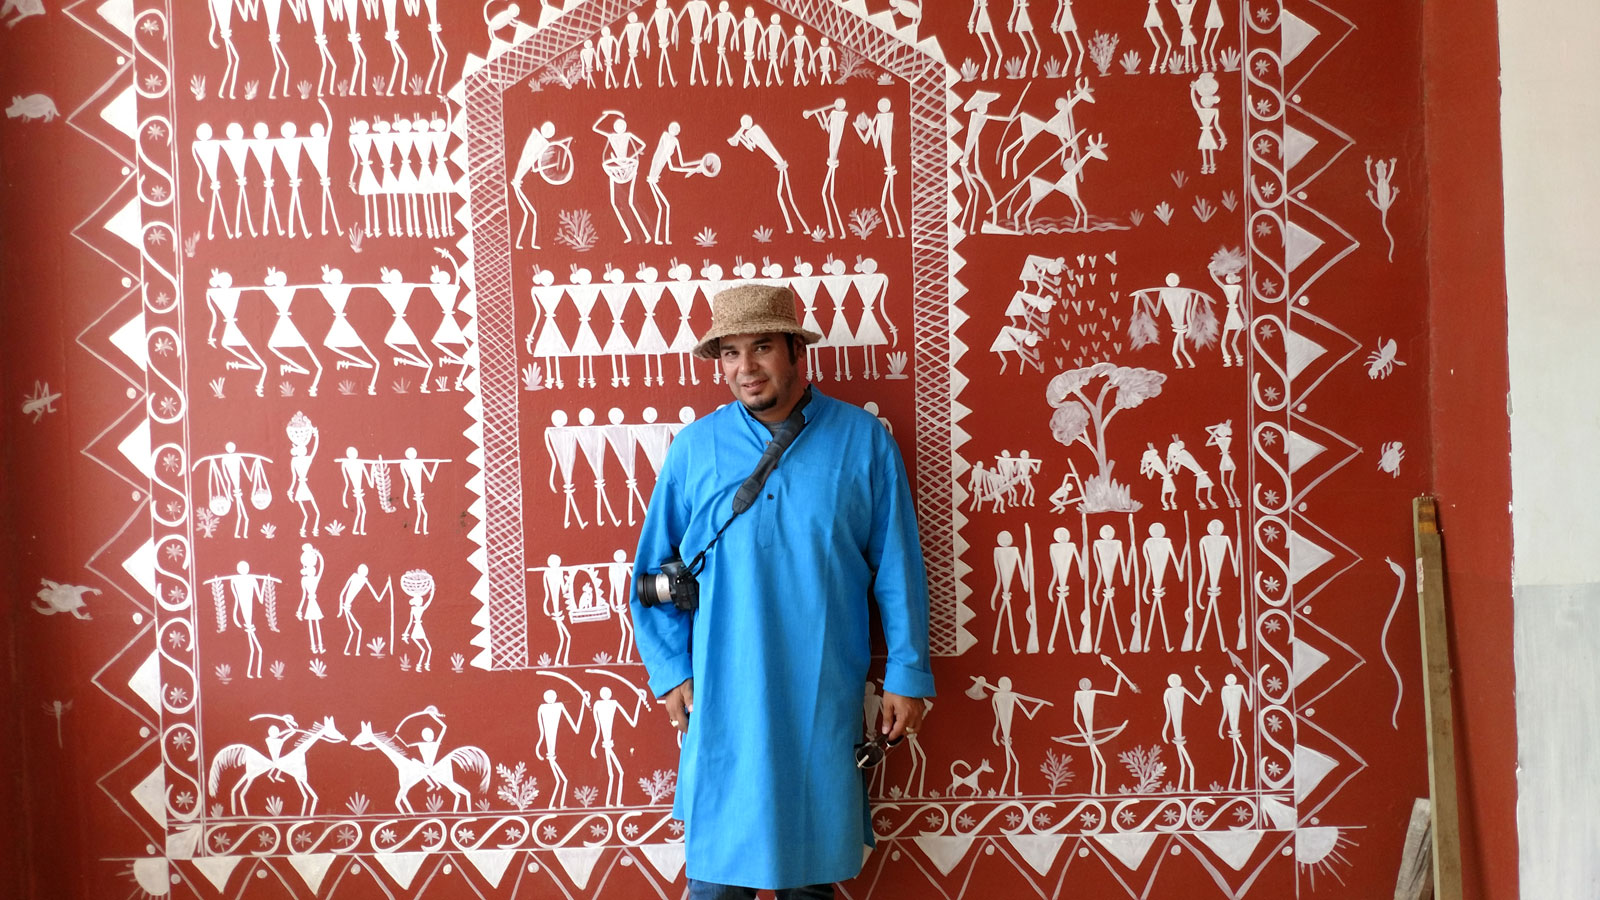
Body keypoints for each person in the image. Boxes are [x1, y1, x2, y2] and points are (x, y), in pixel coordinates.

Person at [631, 284, 935, 899]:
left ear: (797, 351)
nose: (745, 368)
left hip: (820, 692)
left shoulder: (863, 441)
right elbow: (651, 580)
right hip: (722, 695)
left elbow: (899, 567)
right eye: (730, 353)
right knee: (715, 883)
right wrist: (669, 670)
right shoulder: (695, 450)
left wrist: (907, 671)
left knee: (810, 880)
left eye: (763, 347)